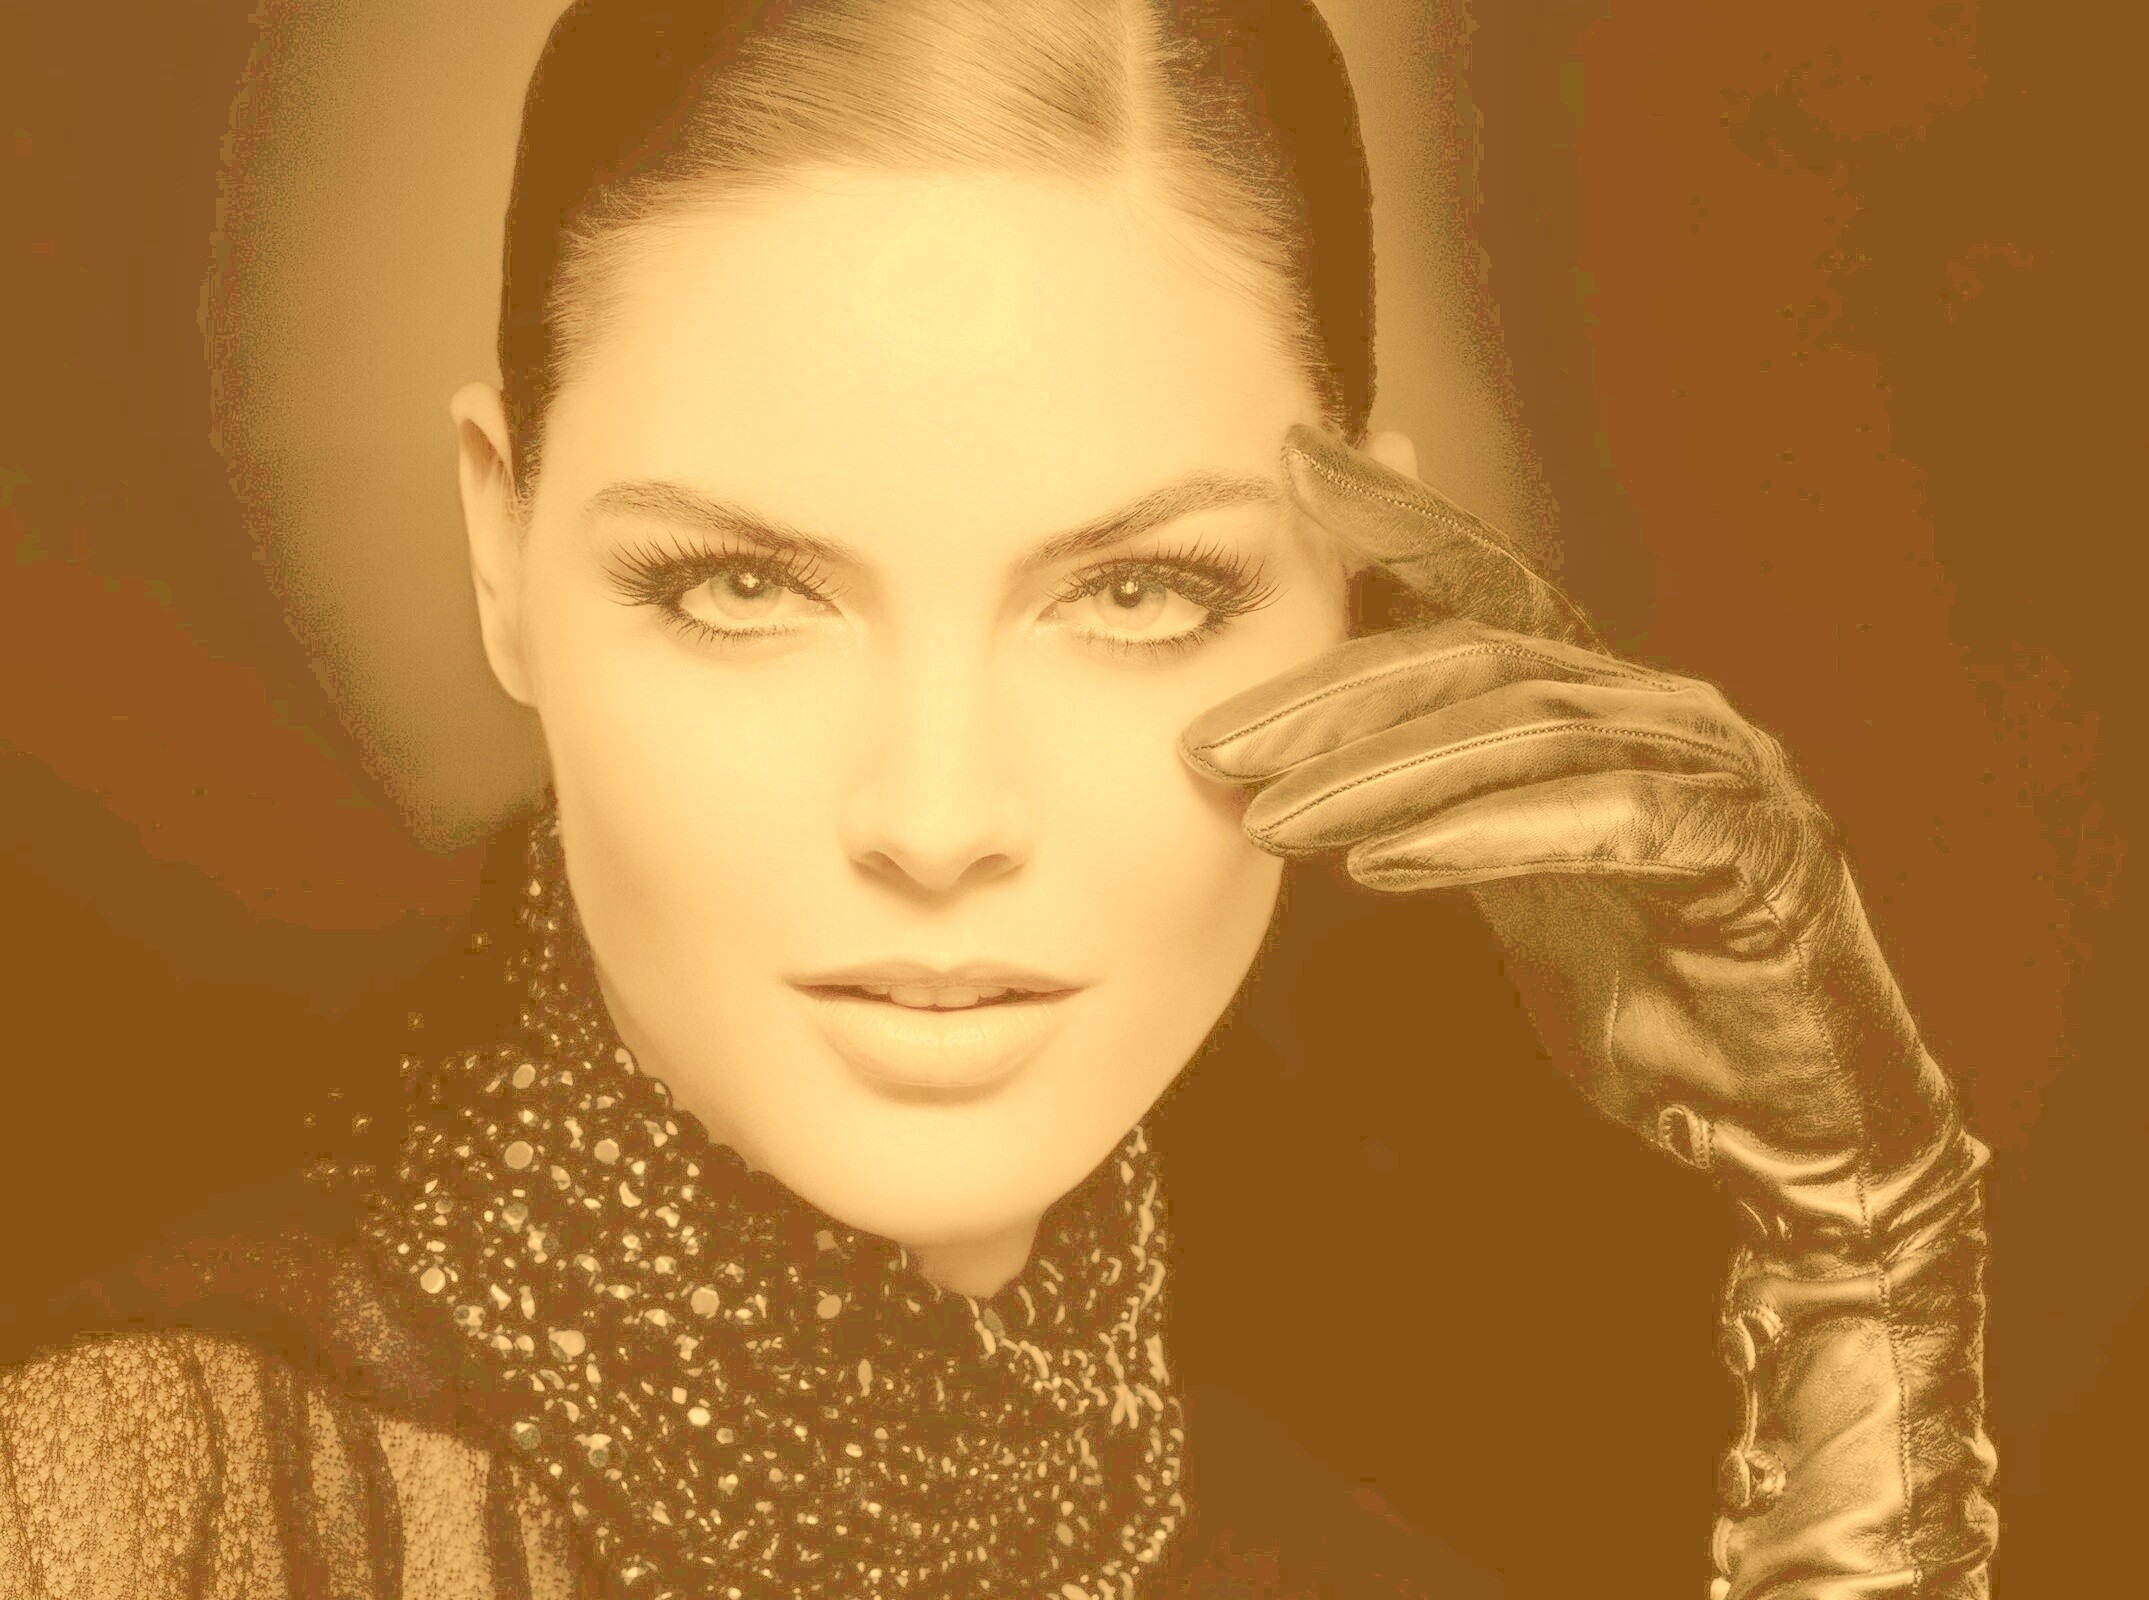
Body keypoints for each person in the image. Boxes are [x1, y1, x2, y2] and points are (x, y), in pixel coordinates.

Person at [0, 1, 1996, 1596]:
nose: (938, 815)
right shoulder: (146, 1508)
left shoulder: (1335, 1556)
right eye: (741, 585)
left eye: (1138, 593)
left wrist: (1860, 1269)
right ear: (499, 551)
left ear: (1365, 591)